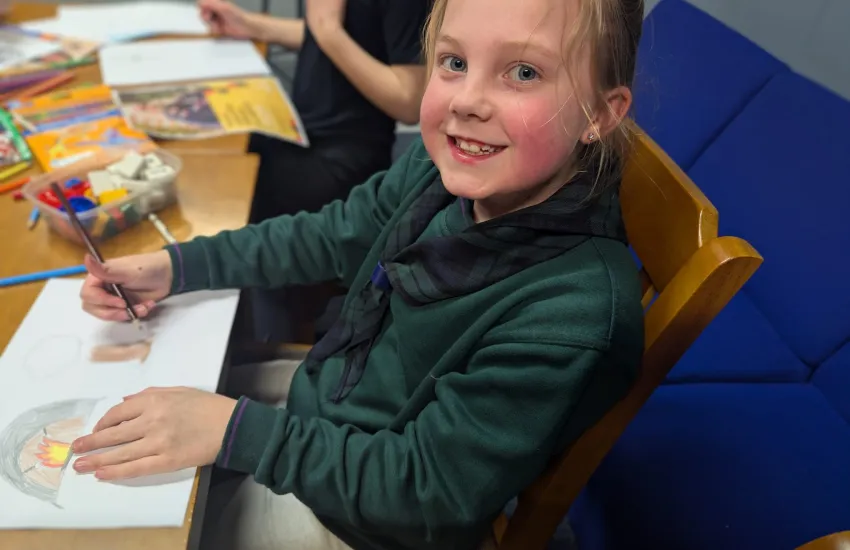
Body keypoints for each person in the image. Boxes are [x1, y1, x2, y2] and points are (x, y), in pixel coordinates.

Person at [71, 0, 646, 548]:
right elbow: (328, 234)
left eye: (523, 72)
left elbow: (428, 491)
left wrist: (234, 432)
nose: (467, 101)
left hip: (363, 524)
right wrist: (179, 266)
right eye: (453, 62)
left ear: (599, 114)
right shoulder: (439, 171)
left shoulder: (569, 313)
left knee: (124, 531)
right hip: (329, 405)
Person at [199, 0, 432, 342]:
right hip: (305, 133)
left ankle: (275, 334)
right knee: (214, 152)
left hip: (344, 159)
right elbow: (352, 31)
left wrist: (329, 33)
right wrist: (251, 25)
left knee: (220, 194)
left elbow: (409, 100)